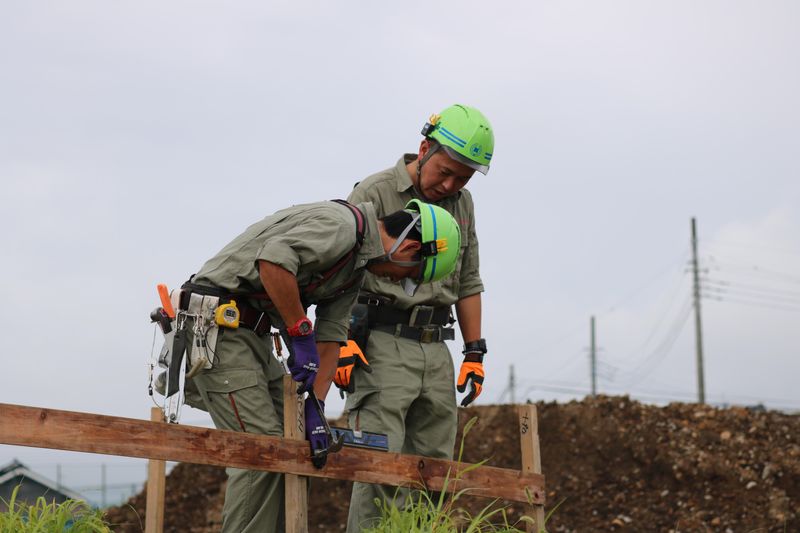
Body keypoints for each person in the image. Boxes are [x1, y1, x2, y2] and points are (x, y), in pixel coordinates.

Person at [174, 198, 461, 533]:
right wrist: (299, 329)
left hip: (251, 334)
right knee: (262, 452)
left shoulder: (353, 271)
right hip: (218, 325)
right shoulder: (341, 227)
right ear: (409, 247)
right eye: (408, 274)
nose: (398, 282)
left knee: (296, 446)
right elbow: (273, 262)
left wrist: (316, 406)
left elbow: (330, 338)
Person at [337, 104, 494, 531]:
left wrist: (474, 353)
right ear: (424, 148)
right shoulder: (374, 192)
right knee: (379, 468)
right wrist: (341, 339)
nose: (449, 184)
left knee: (435, 474)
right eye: (444, 171)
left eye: (461, 178)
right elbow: (340, 272)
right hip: (379, 343)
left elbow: (469, 281)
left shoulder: (462, 204)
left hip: (435, 346)